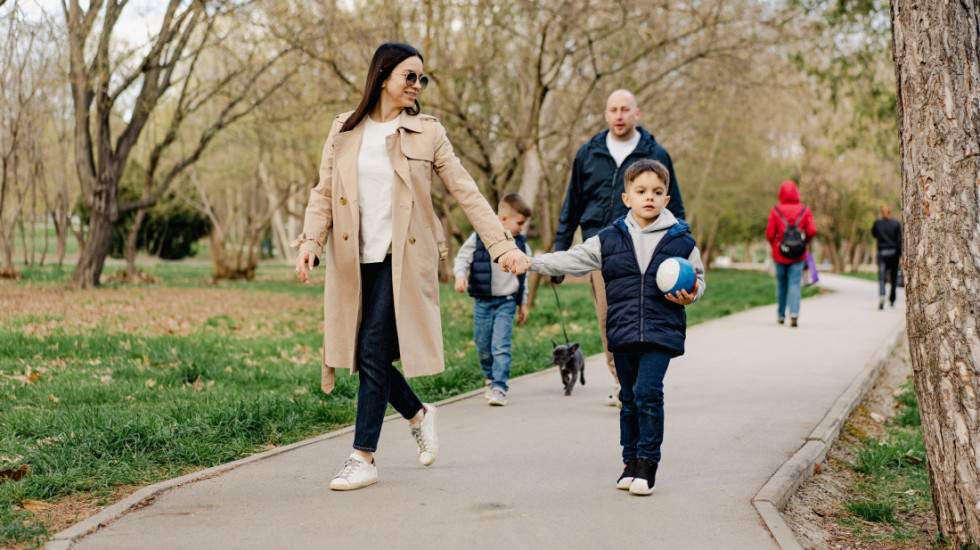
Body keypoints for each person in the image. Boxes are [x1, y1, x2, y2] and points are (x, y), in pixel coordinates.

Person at [294, 43, 531, 491]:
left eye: (421, 78)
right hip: (351, 260)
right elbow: (323, 192)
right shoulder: (344, 129)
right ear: (383, 75)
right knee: (370, 357)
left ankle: (362, 457)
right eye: (409, 76)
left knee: (370, 351)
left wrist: (501, 247)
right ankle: (418, 413)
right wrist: (311, 240)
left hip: (400, 259)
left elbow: (467, 192)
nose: (416, 85)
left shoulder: (428, 133)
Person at [531, 159, 705, 496]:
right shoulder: (607, 239)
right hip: (623, 331)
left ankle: (648, 463)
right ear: (627, 198)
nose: (649, 197)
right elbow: (570, 258)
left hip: (661, 331)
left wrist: (691, 295)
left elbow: (698, 280)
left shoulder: (682, 240)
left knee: (647, 392)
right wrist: (532, 262)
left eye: (657, 192)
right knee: (628, 397)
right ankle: (629, 462)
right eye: (641, 191)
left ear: (667, 199)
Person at [552, 89, 686, 407]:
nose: (620, 115)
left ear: (636, 114)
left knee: (646, 315)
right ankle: (622, 384)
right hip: (604, 248)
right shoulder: (588, 153)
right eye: (613, 110)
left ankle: (644, 382)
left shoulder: (655, 153)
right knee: (609, 318)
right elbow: (572, 205)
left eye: (626, 109)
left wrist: (680, 249)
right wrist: (559, 253)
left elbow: (675, 204)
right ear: (606, 115)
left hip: (649, 248)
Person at [453, 193, 533, 407]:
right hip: (482, 301)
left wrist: (522, 303)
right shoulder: (480, 236)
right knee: (483, 344)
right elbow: (462, 257)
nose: (522, 228)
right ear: (503, 219)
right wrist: (460, 276)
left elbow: (524, 278)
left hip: (507, 301)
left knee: (501, 345)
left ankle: (499, 386)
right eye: (520, 223)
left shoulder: (522, 245)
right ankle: (490, 378)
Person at [765, 180, 817, 327]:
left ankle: (781, 315)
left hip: (780, 254)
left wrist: (775, 246)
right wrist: (805, 243)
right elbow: (812, 230)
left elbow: (769, 233)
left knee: (781, 284)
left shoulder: (775, 210)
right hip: (798, 254)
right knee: (795, 283)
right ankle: (794, 315)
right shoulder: (805, 209)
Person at [871, 204, 902, 309]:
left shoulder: (877, 223)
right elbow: (899, 241)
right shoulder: (896, 224)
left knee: (882, 276)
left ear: (881, 213)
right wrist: (901, 255)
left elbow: (874, 234)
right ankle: (892, 300)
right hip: (894, 253)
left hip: (882, 252)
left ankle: (882, 295)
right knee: (893, 277)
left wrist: (879, 221)